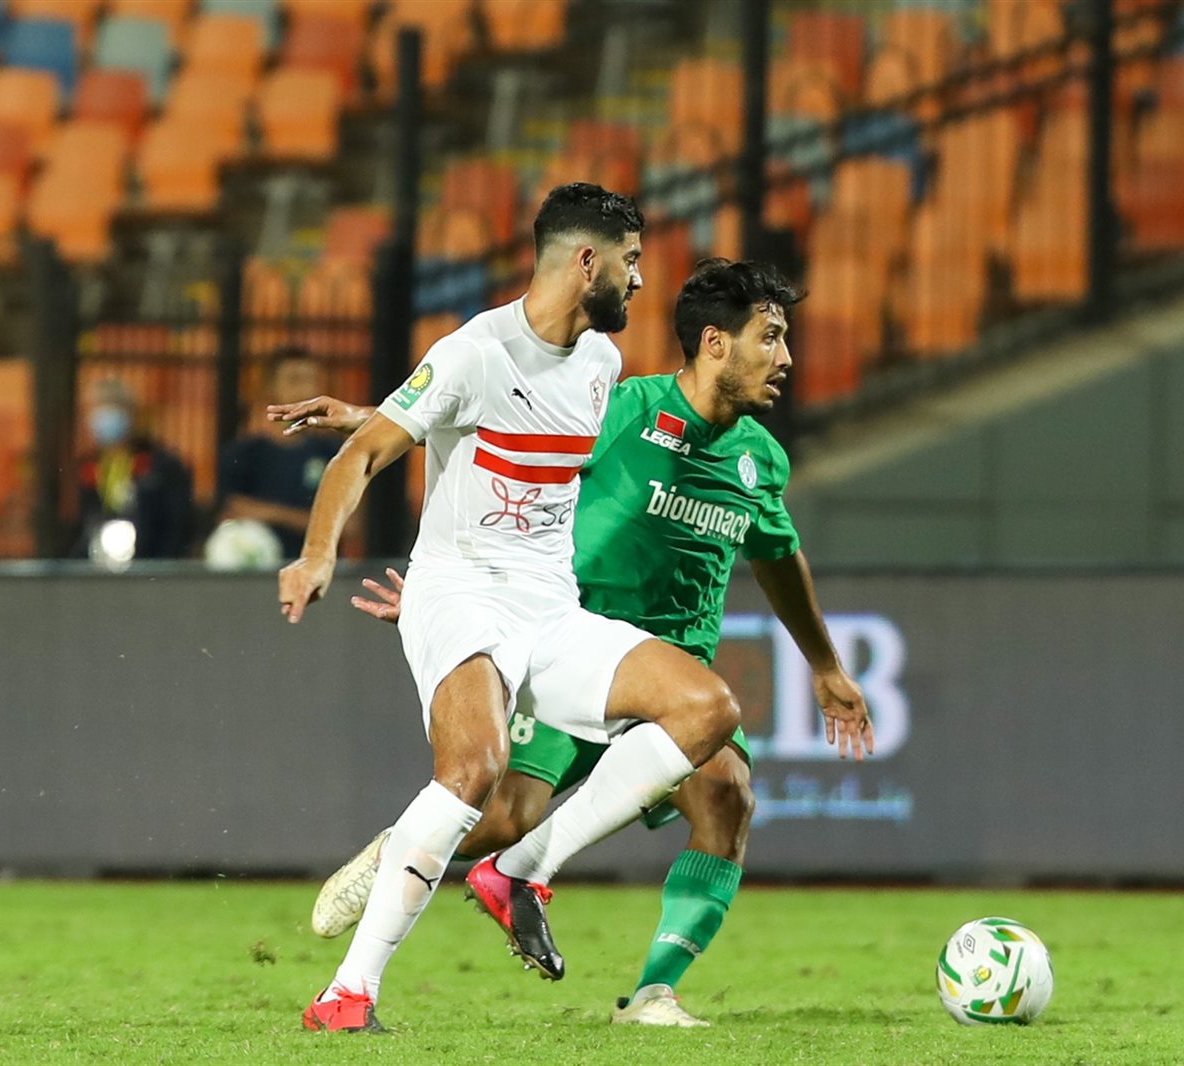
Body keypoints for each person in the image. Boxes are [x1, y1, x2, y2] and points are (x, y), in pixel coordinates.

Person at [276, 259, 874, 1028]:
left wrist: (824, 665)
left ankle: (652, 992)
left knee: (728, 795)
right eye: (771, 337)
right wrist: (381, 432)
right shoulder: (627, 408)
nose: (786, 358)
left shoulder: (762, 459)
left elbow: (780, 557)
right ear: (715, 343)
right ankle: (408, 848)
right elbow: (508, 434)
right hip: (569, 644)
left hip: (663, 673)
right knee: (502, 816)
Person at [216, 348, 339, 560]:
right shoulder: (244, 454)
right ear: (270, 388)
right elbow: (228, 517)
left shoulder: (332, 452)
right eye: (294, 380)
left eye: (312, 381)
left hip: (316, 567)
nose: (306, 390)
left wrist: (270, 513)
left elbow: (349, 524)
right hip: (257, 571)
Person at [74, 378, 193, 560]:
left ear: (132, 414)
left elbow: (177, 525)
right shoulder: (85, 467)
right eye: (99, 409)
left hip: (150, 564)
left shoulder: (163, 466)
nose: (106, 418)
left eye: (115, 408)